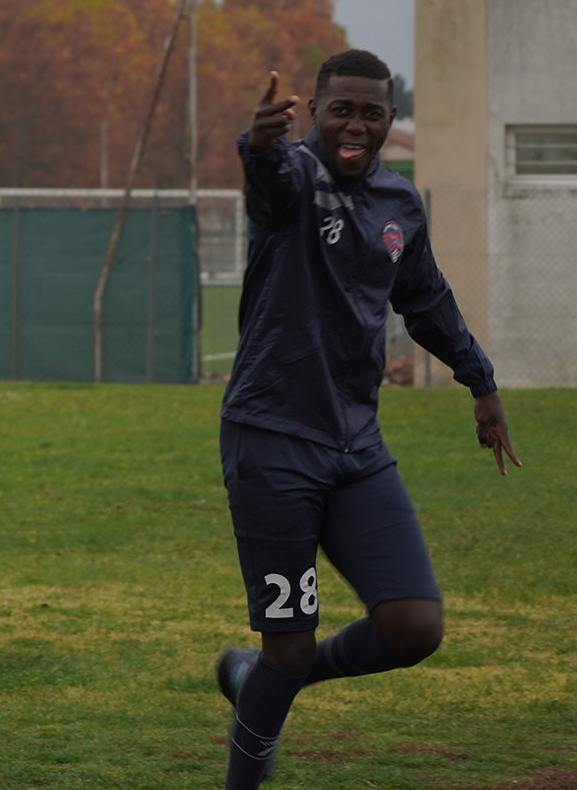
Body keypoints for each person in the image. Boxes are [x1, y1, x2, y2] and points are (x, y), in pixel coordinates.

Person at [214, 49, 521, 789]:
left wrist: (480, 382)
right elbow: (266, 189)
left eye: (372, 112)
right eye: (341, 109)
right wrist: (258, 146)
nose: (355, 125)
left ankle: (256, 675)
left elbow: (426, 300)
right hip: (273, 440)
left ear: (389, 120)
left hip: (357, 446)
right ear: (315, 112)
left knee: (414, 627)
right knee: (291, 650)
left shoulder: (398, 204)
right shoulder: (293, 175)